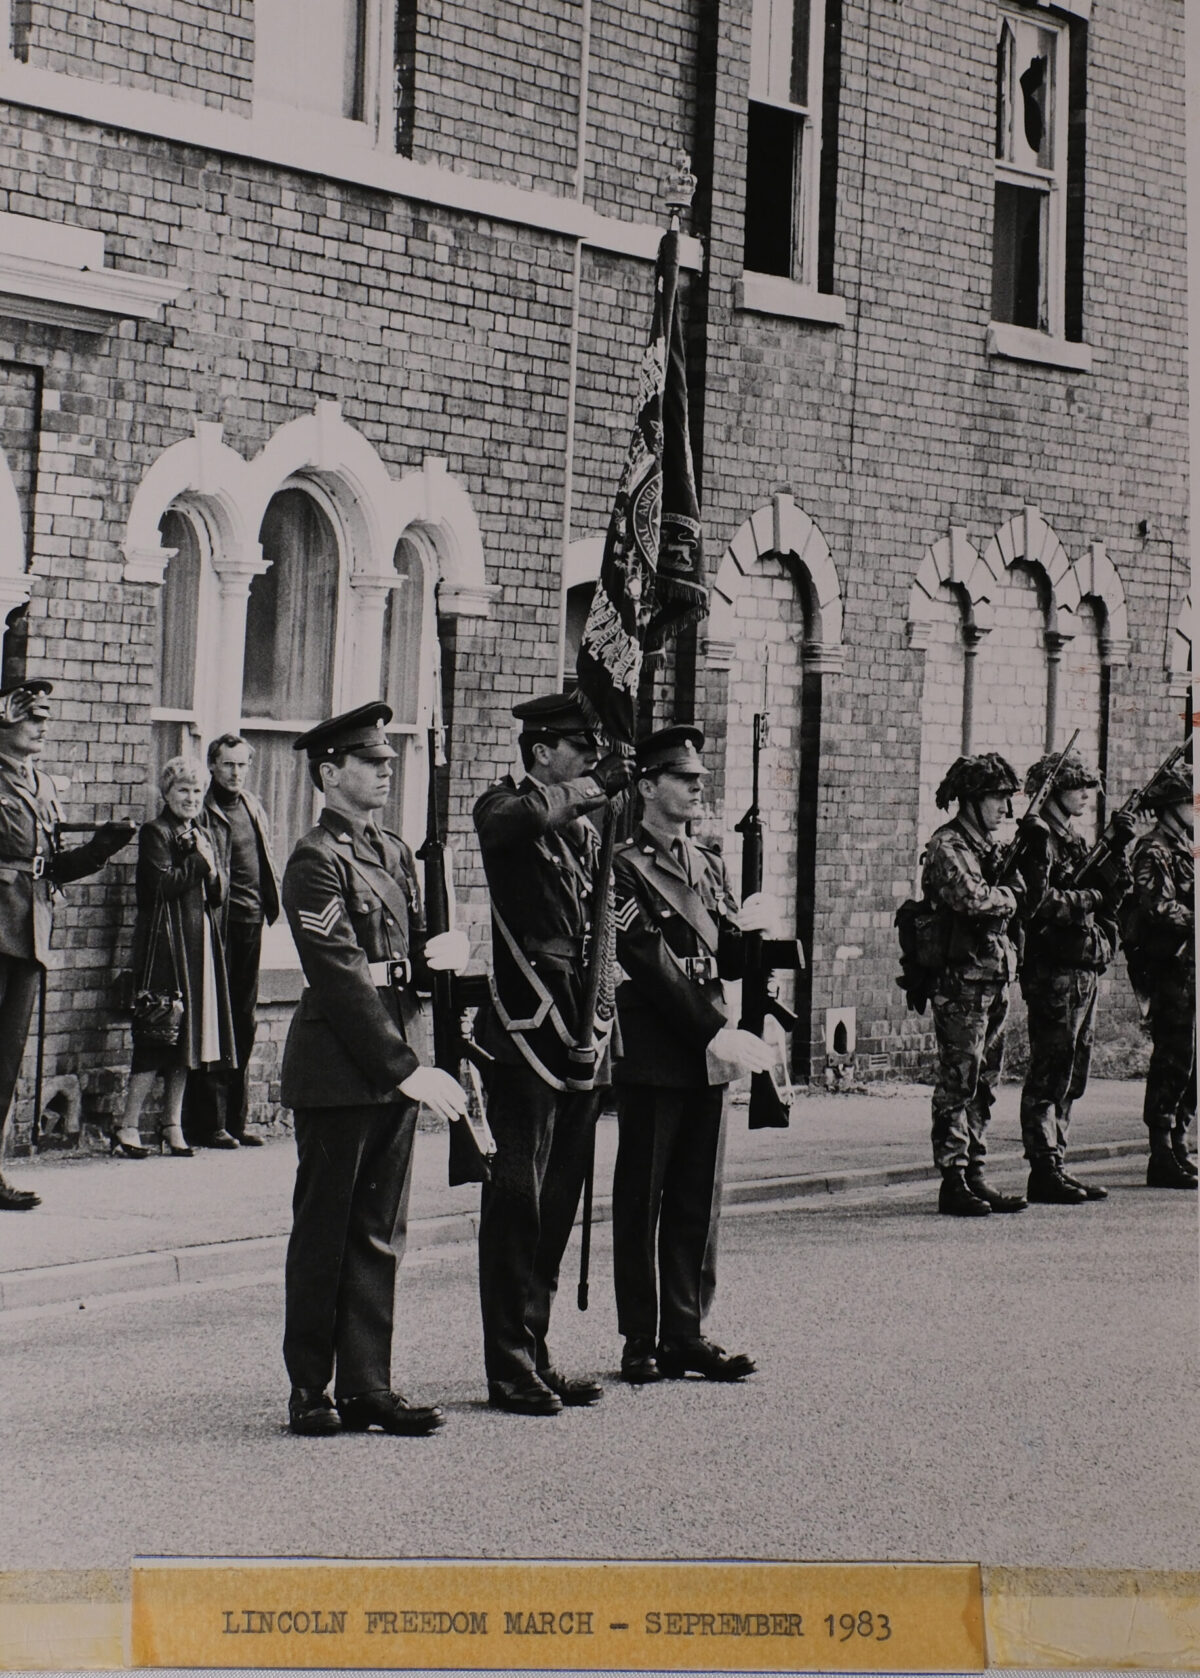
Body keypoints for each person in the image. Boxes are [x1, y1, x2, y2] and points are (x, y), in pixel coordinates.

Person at [280, 701, 470, 1438]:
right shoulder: (313, 859)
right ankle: (310, 1388)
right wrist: (404, 1066)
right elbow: (340, 974)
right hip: (340, 1067)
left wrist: (440, 954)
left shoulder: (392, 851)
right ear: (331, 772)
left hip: (395, 1057)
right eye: (372, 760)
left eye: (389, 760)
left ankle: (367, 1384)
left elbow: (404, 957)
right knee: (326, 1231)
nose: (388, 769)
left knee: (379, 1231)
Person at [472, 690, 627, 1416]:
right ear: (541, 752)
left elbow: (601, 920)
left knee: (560, 1195)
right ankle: (505, 1364)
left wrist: (602, 1015)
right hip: (525, 1017)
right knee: (518, 1198)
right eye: (579, 751)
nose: (590, 763)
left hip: (576, 1013)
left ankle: (535, 1348)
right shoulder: (504, 806)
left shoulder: (584, 829)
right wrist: (600, 787)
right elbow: (529, 818)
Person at [610, 725, 776, 1386]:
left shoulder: (708, 861)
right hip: (657, 1044)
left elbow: (725, 956)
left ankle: (685, 1330)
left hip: (710, 1049)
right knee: (642, 1196)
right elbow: (647, 959)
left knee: (695, 1199)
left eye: (699, 778)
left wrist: (750, 932)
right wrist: (713, 1027)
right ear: (648, 785)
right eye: (683, 777)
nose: (697, 787)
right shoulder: (623, 865)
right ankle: (639, 1337)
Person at [0, 678, 133, 1208]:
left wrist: (100, 851)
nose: (43, 725)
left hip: (28, 931)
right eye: (32, 716)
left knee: (6, 1059)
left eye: (46, 716)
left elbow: (49, 866)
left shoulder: (44, 785)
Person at [1014, 750, 1134, 1205]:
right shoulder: (1038, 840)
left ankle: (1057, 1160)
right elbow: (1040, 904)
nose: (1085, 792)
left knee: (1073, 1073)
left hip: (1083, 966)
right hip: (1053, 971)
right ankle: (1043, 1167)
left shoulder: (1078, 839)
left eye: (1088, 784)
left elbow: (1113, 895)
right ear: (1051, 790)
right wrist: (1089, 897)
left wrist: (1116, 849)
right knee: (1050, 1071)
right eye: (1075, 785)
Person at [921, 753, 1029, 1217]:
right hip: (961, 984)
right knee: (958, 1080)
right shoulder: (948, 848)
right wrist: (1010, 895)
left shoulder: (988, 849)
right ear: (971, 799)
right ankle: (953, 1176)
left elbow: (1026, 890)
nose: (1006, 808)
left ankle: (975, 1171)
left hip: (993, 977)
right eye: (998, 798)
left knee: (986, 1081)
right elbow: (973, 900)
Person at [112, 757, 236, 1159]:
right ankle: (128, 1126)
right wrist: (200, 863)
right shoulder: (156, 832)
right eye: (183, 790)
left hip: (197, 943)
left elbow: (217, 894)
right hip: (165, 945)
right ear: (167, 793)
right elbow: (158, 887)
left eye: (198, 791)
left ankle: (171, 1124)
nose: (191, 798)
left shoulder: (200, 832)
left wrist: (211, 869)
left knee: (188, 1037)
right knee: (158, 1032)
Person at [182, 734, 281, 1150]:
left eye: (241, 765)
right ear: (213, 766)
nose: (235, 773)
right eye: (227, 765)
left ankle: (236, 1120)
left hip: (249, 923)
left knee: (244, 1018)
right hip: (216, 924)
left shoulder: (252, 805)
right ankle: (208, 1123)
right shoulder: (205, 811)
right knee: (213, 1020)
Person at [1126, 763, 1195, 1190]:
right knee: (1173, 1057)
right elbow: (1156, 907)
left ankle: (1181, 1141)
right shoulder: (1151, 850)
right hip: (1171, 969)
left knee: (1194, 1061)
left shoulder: (1186, 845)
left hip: (1191, 966)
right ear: (1171, 806)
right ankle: (1161, 1150)